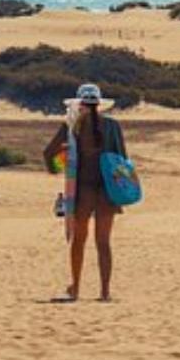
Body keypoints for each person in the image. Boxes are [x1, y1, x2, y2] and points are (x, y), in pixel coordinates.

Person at [43, 83, 129, 302]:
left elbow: (48, 153)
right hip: (107, 191)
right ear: (99, 103)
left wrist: (57, 167)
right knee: (104, 242)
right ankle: (105, 292)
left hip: (82, 191)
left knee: (79, 241)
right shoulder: (112, 126)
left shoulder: (72, 127)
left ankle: (76, 289)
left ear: (80, 103)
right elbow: (122, 159)